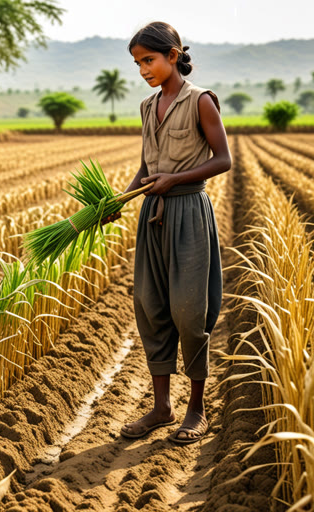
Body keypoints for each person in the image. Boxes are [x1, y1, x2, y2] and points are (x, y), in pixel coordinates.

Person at [116, 21, 231, 444]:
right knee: (151, 306)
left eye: (149, 59)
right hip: (153, 214)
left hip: (188, 212)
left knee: (189, 311)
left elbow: (224, 160)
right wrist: (121, 200)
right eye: (137, 63)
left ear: (173, 54)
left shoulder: (200, 101)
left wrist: (174, 178)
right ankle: (161, 408)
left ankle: (195, 410)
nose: (143, 69)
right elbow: (147, 168)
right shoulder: (148, 107)